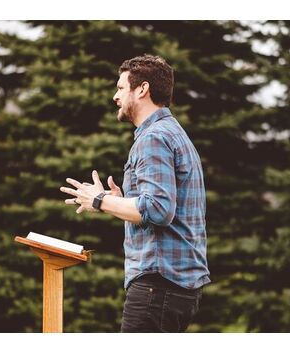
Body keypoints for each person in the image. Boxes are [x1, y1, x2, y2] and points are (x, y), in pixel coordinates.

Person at [60, 55, 210, 333]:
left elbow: (158, 210)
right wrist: (119, 201)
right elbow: (160, 206)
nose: (114, 96)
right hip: (174, 286)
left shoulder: (154, 137)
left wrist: (100, 199)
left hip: (158, 285)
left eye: (120, 88)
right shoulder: (172, 132)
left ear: (142, 89)